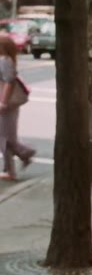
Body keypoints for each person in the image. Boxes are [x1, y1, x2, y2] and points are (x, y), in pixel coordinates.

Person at [0, 36, 35, 181]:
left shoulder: (5, 61)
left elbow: (9, 82)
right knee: (5, 137)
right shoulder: (5, 60)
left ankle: (25, 154)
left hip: (7, 104)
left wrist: (3, 102)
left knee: (5, 138)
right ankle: (18, 161)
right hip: (6, 103)